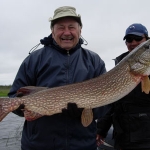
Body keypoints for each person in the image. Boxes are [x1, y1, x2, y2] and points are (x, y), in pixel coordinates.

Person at [8, 6, 107, 150]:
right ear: (52, 31)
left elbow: (106, 103)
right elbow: (13, 96)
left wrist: (86, 109)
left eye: (72, 27)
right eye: (61, 27)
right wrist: (25, 107)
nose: (67, 32)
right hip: (38, 145)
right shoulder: (34, 59)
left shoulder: (94, 61)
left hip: (83, 145)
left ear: (80, 30)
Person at [96, 23, 150, 150]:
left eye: (138, 39)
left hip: (146, 138)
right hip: (122, 137)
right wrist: (101, 129)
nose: (134, 42)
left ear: (146, 39)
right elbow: (111, 102)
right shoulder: (119, 67)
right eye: (129, 40)